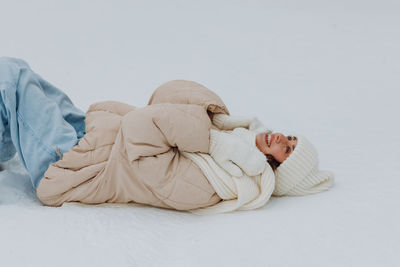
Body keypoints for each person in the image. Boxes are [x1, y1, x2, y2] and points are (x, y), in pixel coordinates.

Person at [0, 57, 334, 214]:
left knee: (9, 75)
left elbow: (142, 129)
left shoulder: (210, 186)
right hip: (90, 137)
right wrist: (219, 121)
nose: (280, 139)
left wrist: (213, 139)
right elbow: (167, 96)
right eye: (289, 138)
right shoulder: (226, 148)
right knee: (16, 77)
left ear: (274, 171)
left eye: (287, 150)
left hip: (71, 166)